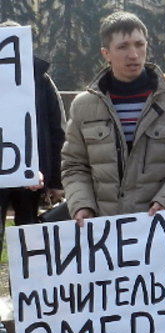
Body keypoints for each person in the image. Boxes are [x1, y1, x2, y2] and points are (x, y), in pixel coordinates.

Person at [61, 11, 165, 225]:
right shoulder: (83, 106)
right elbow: (74, 165)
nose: (134, 54)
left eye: (139, 44)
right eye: (123, 47)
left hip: (158, 230)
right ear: (106, 53)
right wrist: (82, 205)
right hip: (103, 231)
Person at [0, 20, 65, 241]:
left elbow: (57, 130)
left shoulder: (42, 80)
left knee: (28, 235)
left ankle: (24, 277)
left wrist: (56, 181)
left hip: (32, 175)